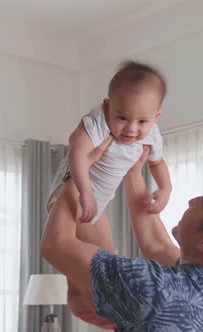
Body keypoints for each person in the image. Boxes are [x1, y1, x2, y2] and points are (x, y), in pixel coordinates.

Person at [41, 146, 203, 331]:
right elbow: (156, 244)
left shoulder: (155, 289)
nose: (192, 200)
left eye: (202, 200)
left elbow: (57, 245)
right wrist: (133, 171)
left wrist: (78, 171)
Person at [45, 61, 172, 319]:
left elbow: (157, 162)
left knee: (105, 258)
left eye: (142, 121)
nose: (131, 129)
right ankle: (78, 294)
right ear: (107, 106)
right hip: (75, 190)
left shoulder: (151, 134)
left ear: (156, 117)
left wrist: (166, 188)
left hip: (97, 202)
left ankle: (85, 295)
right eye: (122, 117)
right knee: (86, 262)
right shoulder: (99, 121)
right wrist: (85, 192)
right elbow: (77, 152)